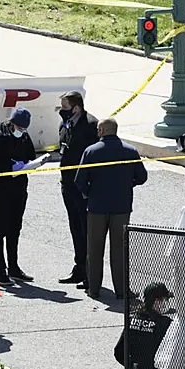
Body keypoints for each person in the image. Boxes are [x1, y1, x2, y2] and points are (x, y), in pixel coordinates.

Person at [75, 118, 147, 300]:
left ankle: (94, 288)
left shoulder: (91, 151)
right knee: (120, 250)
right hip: (121, 207)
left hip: (97, 207)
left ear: (101, 130)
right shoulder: (130, 151)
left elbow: (79, 180)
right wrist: (128, 184)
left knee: (94, 248)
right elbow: (142, 177)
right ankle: (121, 290)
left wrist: (88, 193)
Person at [0, 107, 36, 287]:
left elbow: (31, 156)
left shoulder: (25, 138)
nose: (22, 132)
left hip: (19, 188)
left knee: (15, 229)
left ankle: (13, 267)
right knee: (0, 230)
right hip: (3, 189)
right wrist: (8, 168)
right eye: (19, 128)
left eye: (24, 129)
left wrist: (27, 165)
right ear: (11, 124)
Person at [57, 90, 99, 289]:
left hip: (84, 187)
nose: (61, 111)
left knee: (86, 229)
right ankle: (79, 267)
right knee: (75, 227)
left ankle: (90, 273)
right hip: (67, 184)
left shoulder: (91, 125)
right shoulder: (65, 125)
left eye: (65, 107)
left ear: (76, 107)